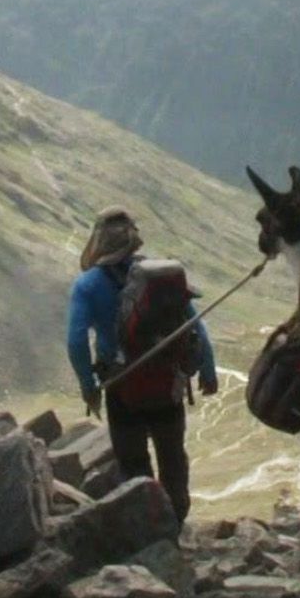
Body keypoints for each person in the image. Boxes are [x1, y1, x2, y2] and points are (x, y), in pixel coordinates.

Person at [67, 206, 219, 522]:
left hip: (122, 387)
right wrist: (207, 369)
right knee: (173, 458)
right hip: (167, 383)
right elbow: (194, 324)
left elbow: (77, 340)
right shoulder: (161, 277)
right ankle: (176, 522)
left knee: (134, 462)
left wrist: (88, 387)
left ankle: (151, 526)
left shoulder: (88, 285)